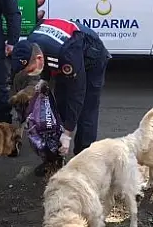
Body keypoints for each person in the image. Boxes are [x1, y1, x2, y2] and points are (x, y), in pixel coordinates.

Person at [9, 18, 110, 167]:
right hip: (61, 55)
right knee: (60, 104)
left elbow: (77, 93)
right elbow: (45, 63)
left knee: (87, 109)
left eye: (30, 70)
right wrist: (44, 79)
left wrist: (68, 134)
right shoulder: (31, 43)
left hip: (91, 57)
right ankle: (55, 157)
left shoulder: (66, 54)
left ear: (38, 58)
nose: (30, 74)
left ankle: (83, 160)